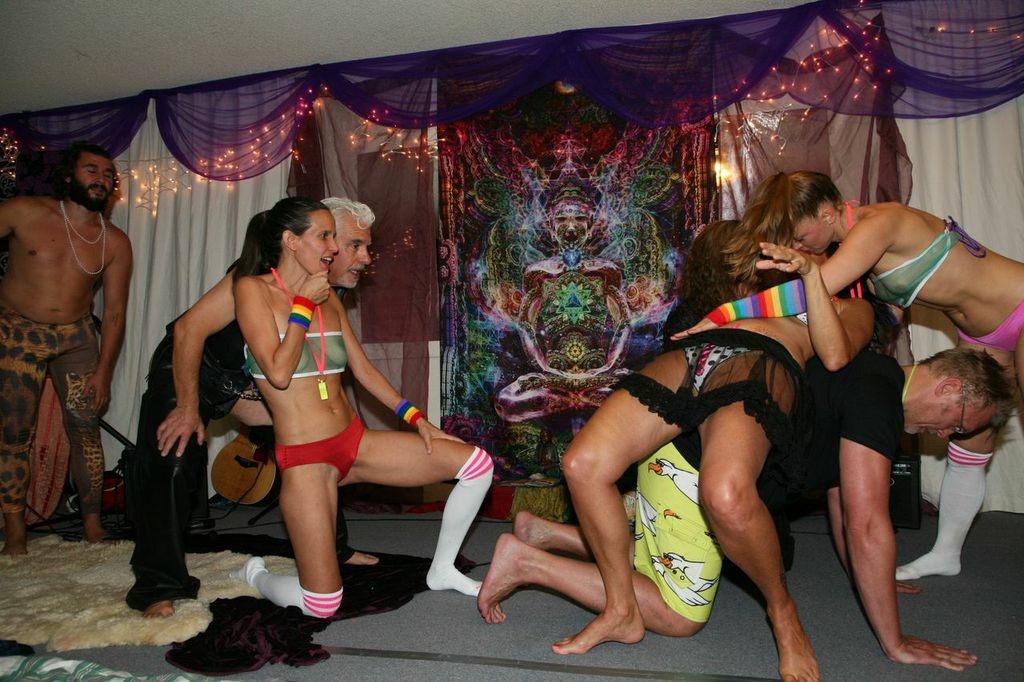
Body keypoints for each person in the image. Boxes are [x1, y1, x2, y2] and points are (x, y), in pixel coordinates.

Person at [493, 220, 873, 681]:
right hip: (702, 352)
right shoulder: (758, 290)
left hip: (760, 361)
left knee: (725, 494)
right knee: (583, 464)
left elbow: (835, 355)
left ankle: (783, 613)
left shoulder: (850, 306)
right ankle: (620, 609)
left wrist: (812, 277)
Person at [677, 171, 1024, 582]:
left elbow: (809, 291)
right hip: (982, 334)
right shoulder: (854, 240)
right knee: (972, 436)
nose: (799, 245)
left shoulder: (878, 226)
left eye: (801, 235)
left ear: (827, 213)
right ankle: (947, 553)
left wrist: (724, 314)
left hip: (1017, 303)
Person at [231, 197, 493, 618]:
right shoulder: (252, 290)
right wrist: (303, 304)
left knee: (476, 464)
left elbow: (365, 370)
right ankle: (256, 574)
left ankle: (442, 569)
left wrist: (417, 419)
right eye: (324, 236)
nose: (333, 247)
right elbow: (278, 373)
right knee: (322, 604)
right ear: (291, 241)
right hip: (305, 459)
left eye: (334, 237)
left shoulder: (329, 298)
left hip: (352, 442)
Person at [125, 198, 377, 618]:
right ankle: (158, 585)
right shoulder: (257, 275)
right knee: (174, 458)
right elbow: (189, 329)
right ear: (304, 241)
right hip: (193, 368)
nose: (362, 257)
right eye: (350, 244)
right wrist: (187, 406)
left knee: (316, 444)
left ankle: (333, 549)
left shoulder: (324, 290)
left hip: (252, 381)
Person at [0, 141, 133, 555]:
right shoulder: (24, 211)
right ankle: (16, 532)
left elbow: (114, 314)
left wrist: (104, 371)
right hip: (17, 334)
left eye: (108, 174)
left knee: (86, 430)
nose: (101, 179)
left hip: (76, 338)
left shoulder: (115, 241)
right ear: (68, 175)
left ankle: (92, 526)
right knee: (14, 435)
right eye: (92, 170)